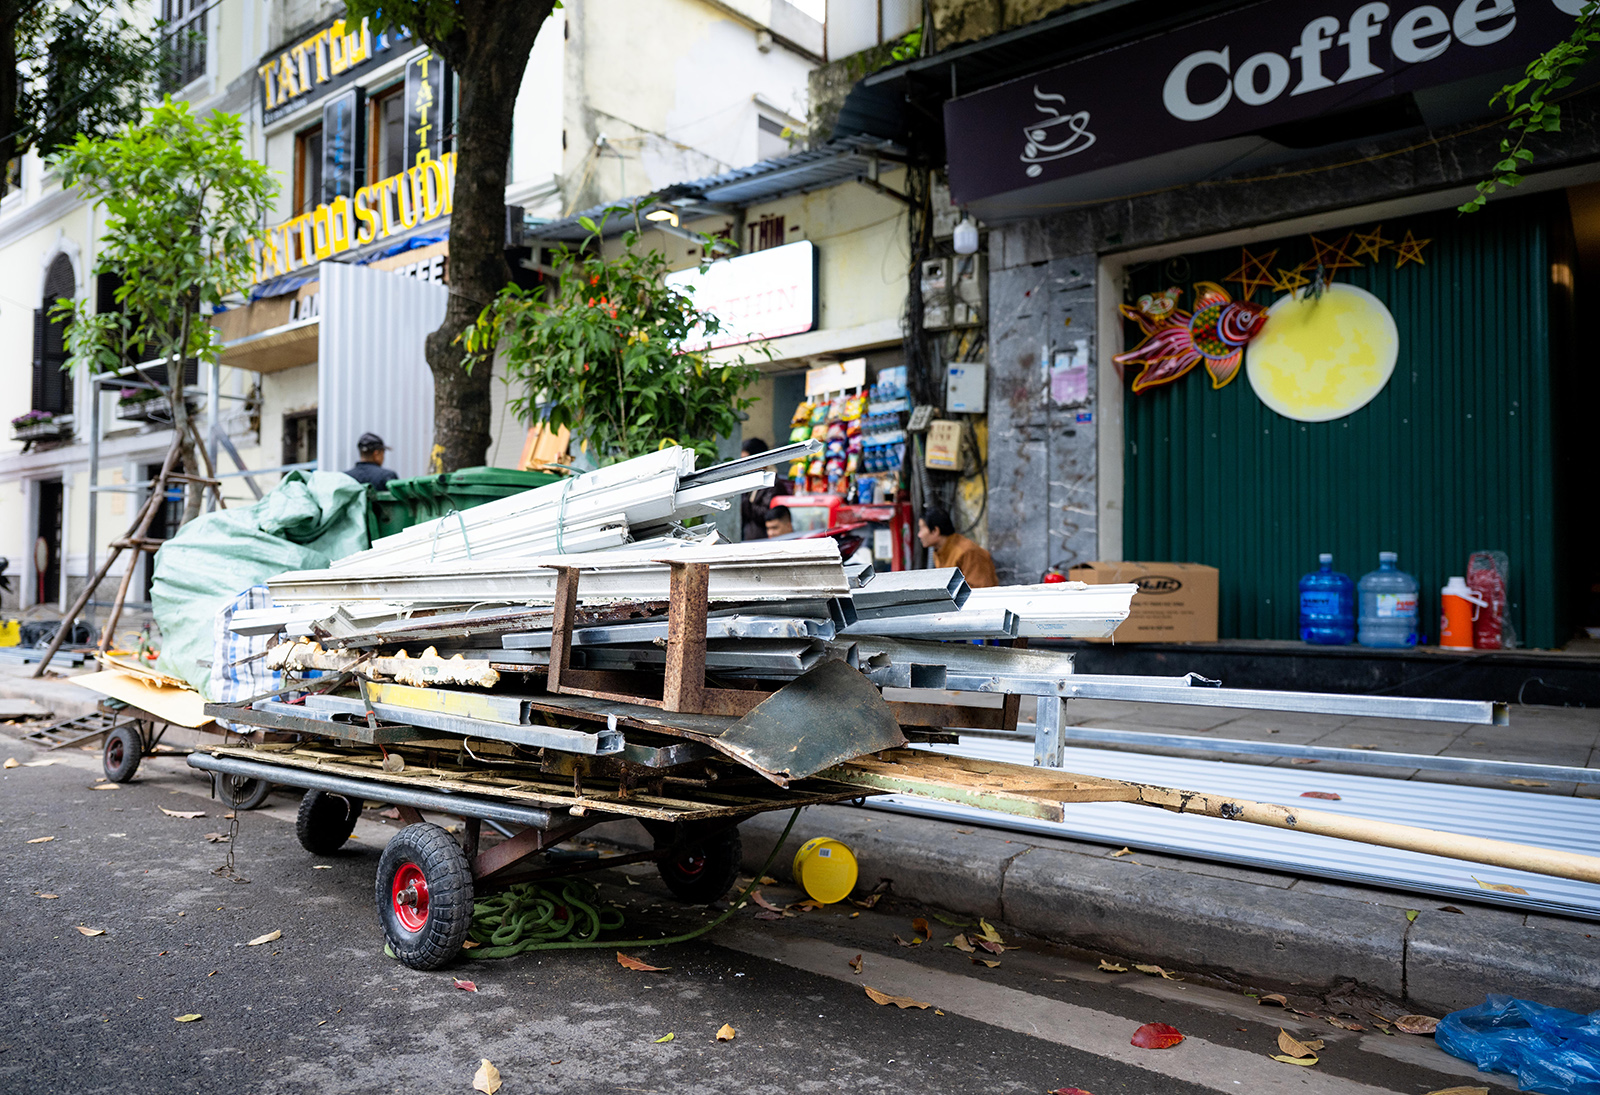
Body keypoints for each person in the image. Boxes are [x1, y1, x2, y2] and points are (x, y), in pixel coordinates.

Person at [917, 505, 998, 588]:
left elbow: (980, 589)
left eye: (921, 529)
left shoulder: (967, 551)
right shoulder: (939, 550)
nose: (919, 535)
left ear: (935, 531)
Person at [739, 437, 789, 540]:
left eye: (746, 461)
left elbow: (767, 515)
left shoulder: (772, 484)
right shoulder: (748, 484)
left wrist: (744, 500)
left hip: (765, 541)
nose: (743, 467)